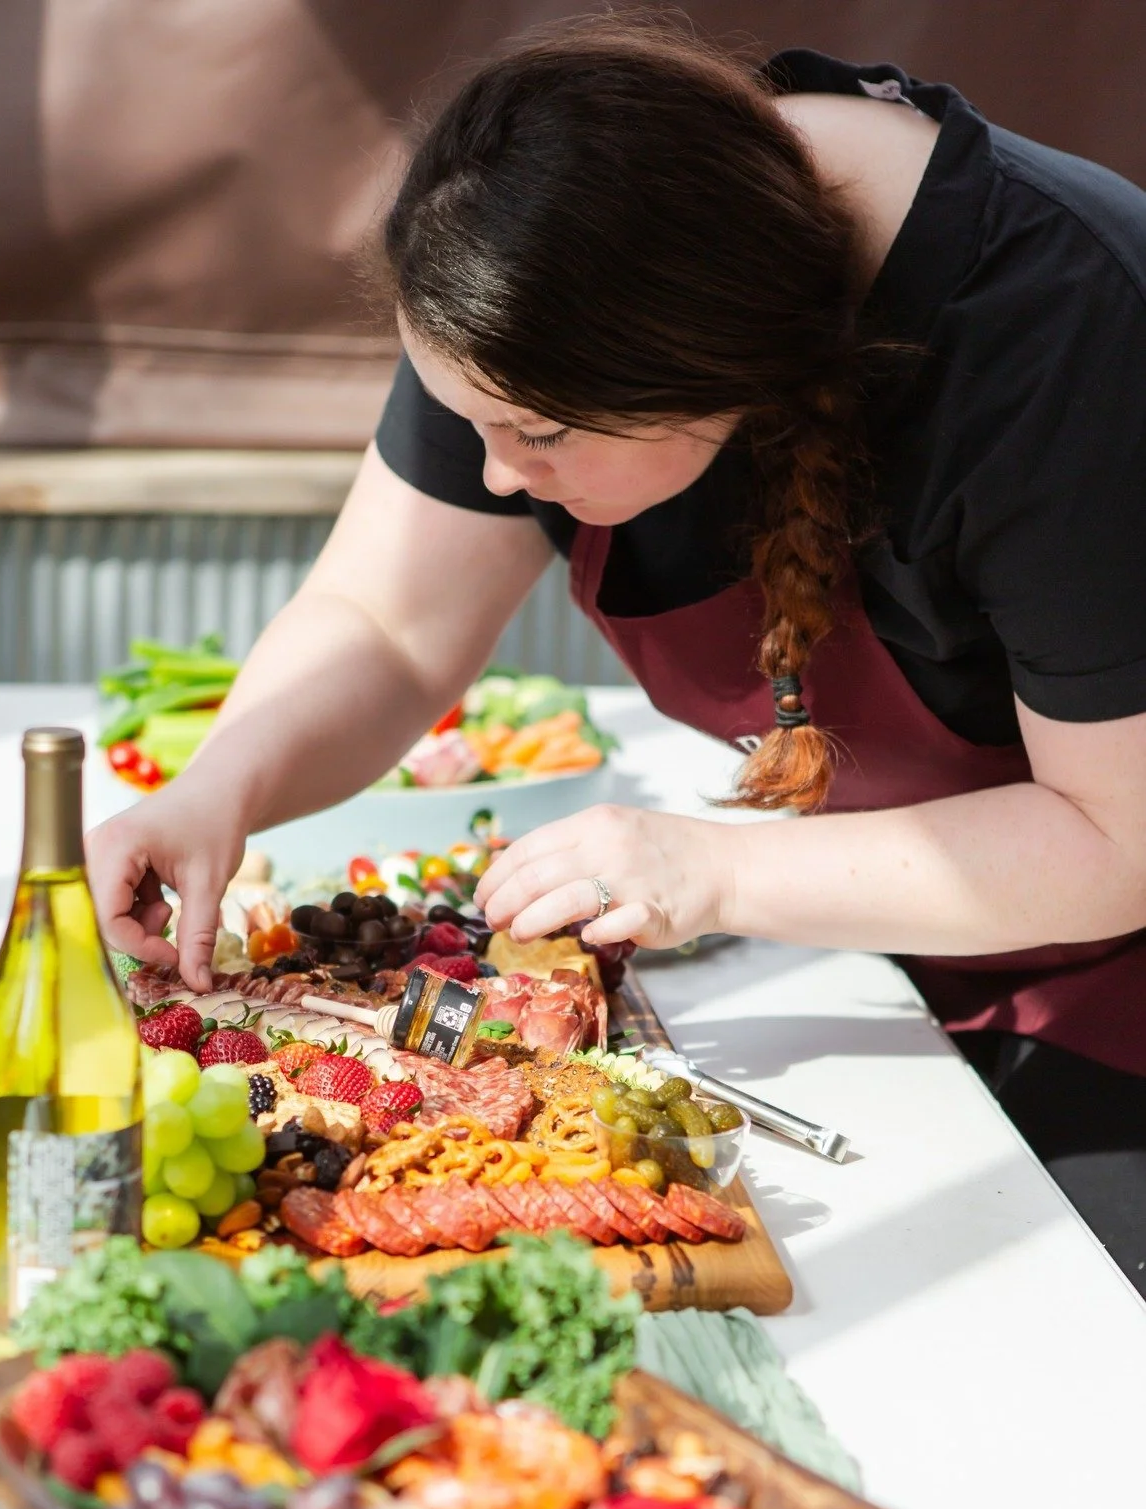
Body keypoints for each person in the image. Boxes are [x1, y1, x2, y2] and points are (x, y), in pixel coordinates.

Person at [87, 17, 1146, 1292]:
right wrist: (219, 789)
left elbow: (1115, 837)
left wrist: (713, 868)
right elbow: (384, 620)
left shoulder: (1067, 337)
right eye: (477, 420)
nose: (493, 474)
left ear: (706, 360)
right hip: (895, 958)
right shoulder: (537, 253)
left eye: (535, 435)